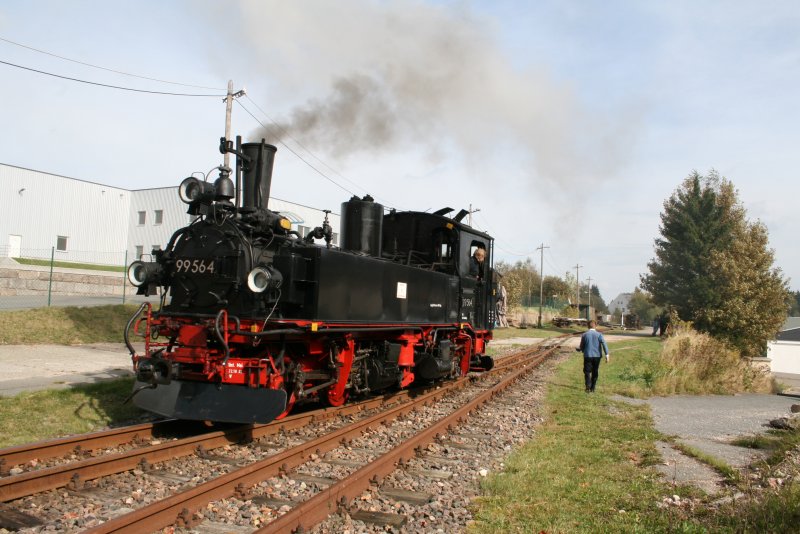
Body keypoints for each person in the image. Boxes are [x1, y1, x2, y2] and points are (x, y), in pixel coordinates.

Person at [575, 320, 610, 393]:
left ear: (588, 326)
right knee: (595, 371)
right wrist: (607, 354)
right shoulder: (599, 334)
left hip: (587, 355)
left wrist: (579, 349)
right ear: (595, 326)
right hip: (597, 356)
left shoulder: (585, 335)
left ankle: (588, 386)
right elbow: (604, 344)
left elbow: (581, 346)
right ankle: (593, 388)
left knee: (587, 371)